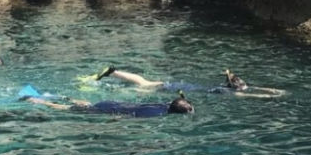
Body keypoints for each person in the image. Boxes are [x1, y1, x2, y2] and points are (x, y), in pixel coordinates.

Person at [93, 66, 284, 99]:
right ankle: (110, 82)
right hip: (170, 89)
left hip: (177, 84)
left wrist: (272, 89)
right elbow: (251, 95)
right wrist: (267, 95)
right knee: (140, 89)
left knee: (144, 82)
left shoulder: (222, 88)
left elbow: (249, 88)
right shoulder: (226, 92)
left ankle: (113, 73)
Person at [21, 88, 195, 118]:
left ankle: (59, 95)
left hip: (112, 103)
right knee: (69, 109)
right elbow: (128, 117)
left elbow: (176, 101)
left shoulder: (162, 105)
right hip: (111, 110)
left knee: (87, 103)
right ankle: (38, 101)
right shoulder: (157, 114)